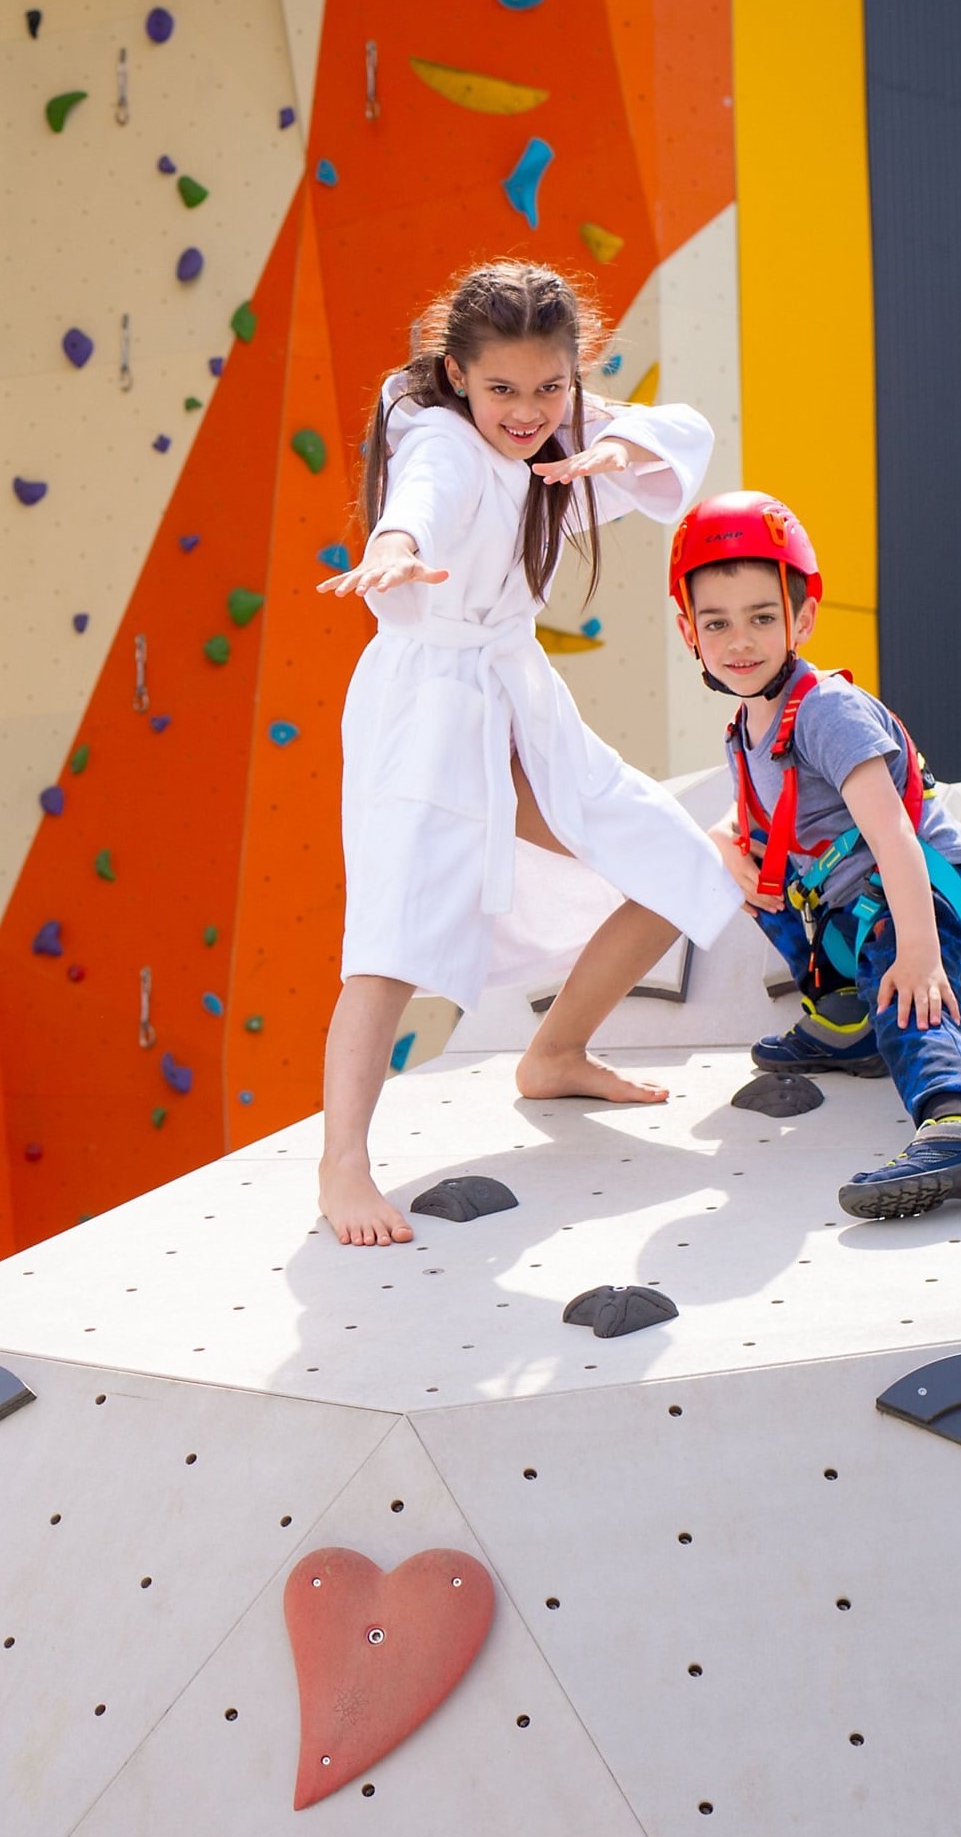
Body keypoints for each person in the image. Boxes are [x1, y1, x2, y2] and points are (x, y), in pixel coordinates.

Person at [314, 261, 745, 1246]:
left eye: (549, 386)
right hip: (427, 709)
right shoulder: (440, 439)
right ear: (456, 374)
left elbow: (681, 431)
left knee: (676, 864)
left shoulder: (559, 423)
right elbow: (420, 494)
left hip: (514, 700)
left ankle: (554, 1053)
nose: (526, 411)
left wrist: (614, 445)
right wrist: (393, 546)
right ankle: (343, 1164)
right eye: (501, 388)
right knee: (391, 939)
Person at [669, 492, 961, 1220]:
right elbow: (752, 820)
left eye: (761, 617)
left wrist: (921, 955)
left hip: (927, 898)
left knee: (906, 992)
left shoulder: (825, 711)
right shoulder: (747, 728)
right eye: (717, 622)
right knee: (753, 874)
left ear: (801, 620)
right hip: (851, 907)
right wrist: (721, 846)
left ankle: (957, 1124)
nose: (740, 641)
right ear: (689, 631)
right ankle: (847, 1022)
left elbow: (893, 834)